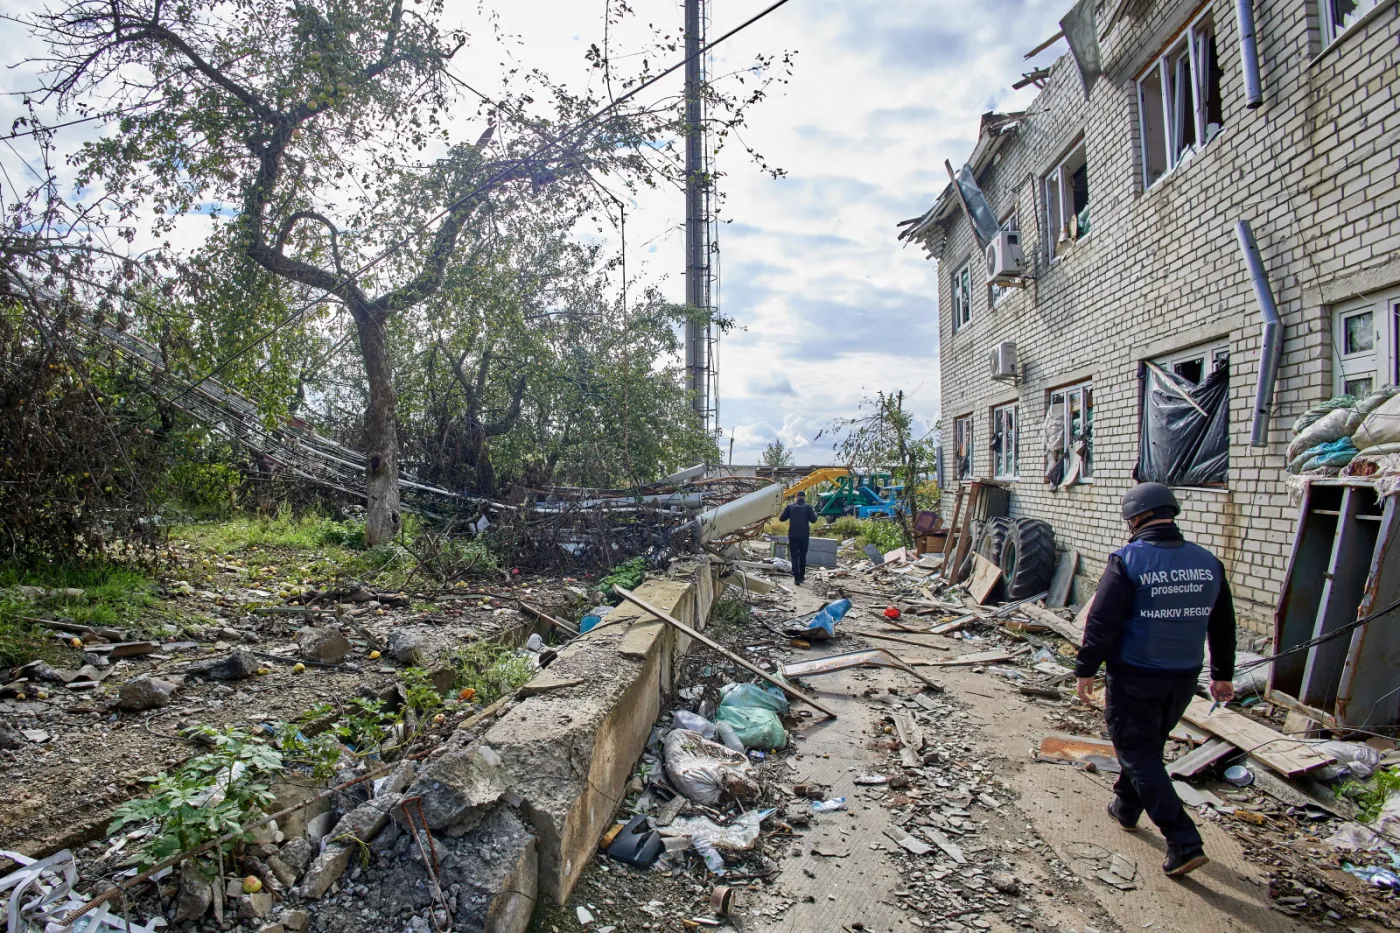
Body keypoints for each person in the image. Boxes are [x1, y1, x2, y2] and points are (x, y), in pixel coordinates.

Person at [1075, 482, 1236, 878]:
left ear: (1136, 518)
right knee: (1147, 748)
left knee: (1137, 752)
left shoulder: (1129, 560)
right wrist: (1222, 675)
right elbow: (1223, 624)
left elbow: (1102, 622)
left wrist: (1085, 668)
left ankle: (1183, 841)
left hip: (1135, 674)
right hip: (1183, 676)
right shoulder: (1207, 562)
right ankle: (1126, 806)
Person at [779, 492, 819, 585]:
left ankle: (796, 578)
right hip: (804, 535)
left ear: (796, 497)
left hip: (793, 535)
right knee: (803, 555)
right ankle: (801, 576)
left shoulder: (790, 506)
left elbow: (781, 518)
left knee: (794, 556)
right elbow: (814, 520)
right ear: (804, 497)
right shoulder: (808, 507)